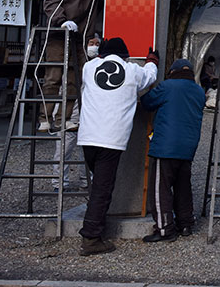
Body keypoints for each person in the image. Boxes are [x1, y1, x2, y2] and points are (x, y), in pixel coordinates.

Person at [76, 37, 158, 256]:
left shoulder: (89, 67)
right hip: (112, 139)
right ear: (126, 56)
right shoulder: (131, 70)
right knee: (102, 188)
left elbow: (93, 58)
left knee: (97, 184)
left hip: (87, 137)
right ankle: (91, 237)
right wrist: (151, 60)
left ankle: (93, 225)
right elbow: (149, 76)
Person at [140, 59, 206, 242]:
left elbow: (147, 102)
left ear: (172, 72)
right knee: (183, 186)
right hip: (188, 148)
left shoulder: (167, 87)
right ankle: (185, 224)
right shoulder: (199, 91)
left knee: (160, 189)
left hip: (166, 147)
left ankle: (164, 228)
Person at [40, 0, 103, 131]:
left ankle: (64, 118)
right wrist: (61, 20)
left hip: (82, 35)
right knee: (53, 76)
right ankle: (45, 118)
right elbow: (50, 1)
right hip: (59, 33)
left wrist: (95, 34)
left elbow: (98, 7)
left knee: (75, 79)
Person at [53, 34, 103, 191]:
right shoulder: (72, 60)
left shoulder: (99, 63)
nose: (94, 46)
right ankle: (59, 182)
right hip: (69, 107)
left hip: (90, 111)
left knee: (88, 148)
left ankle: (85, 179)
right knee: (64, 146)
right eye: (91, 43)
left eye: (97, 43)